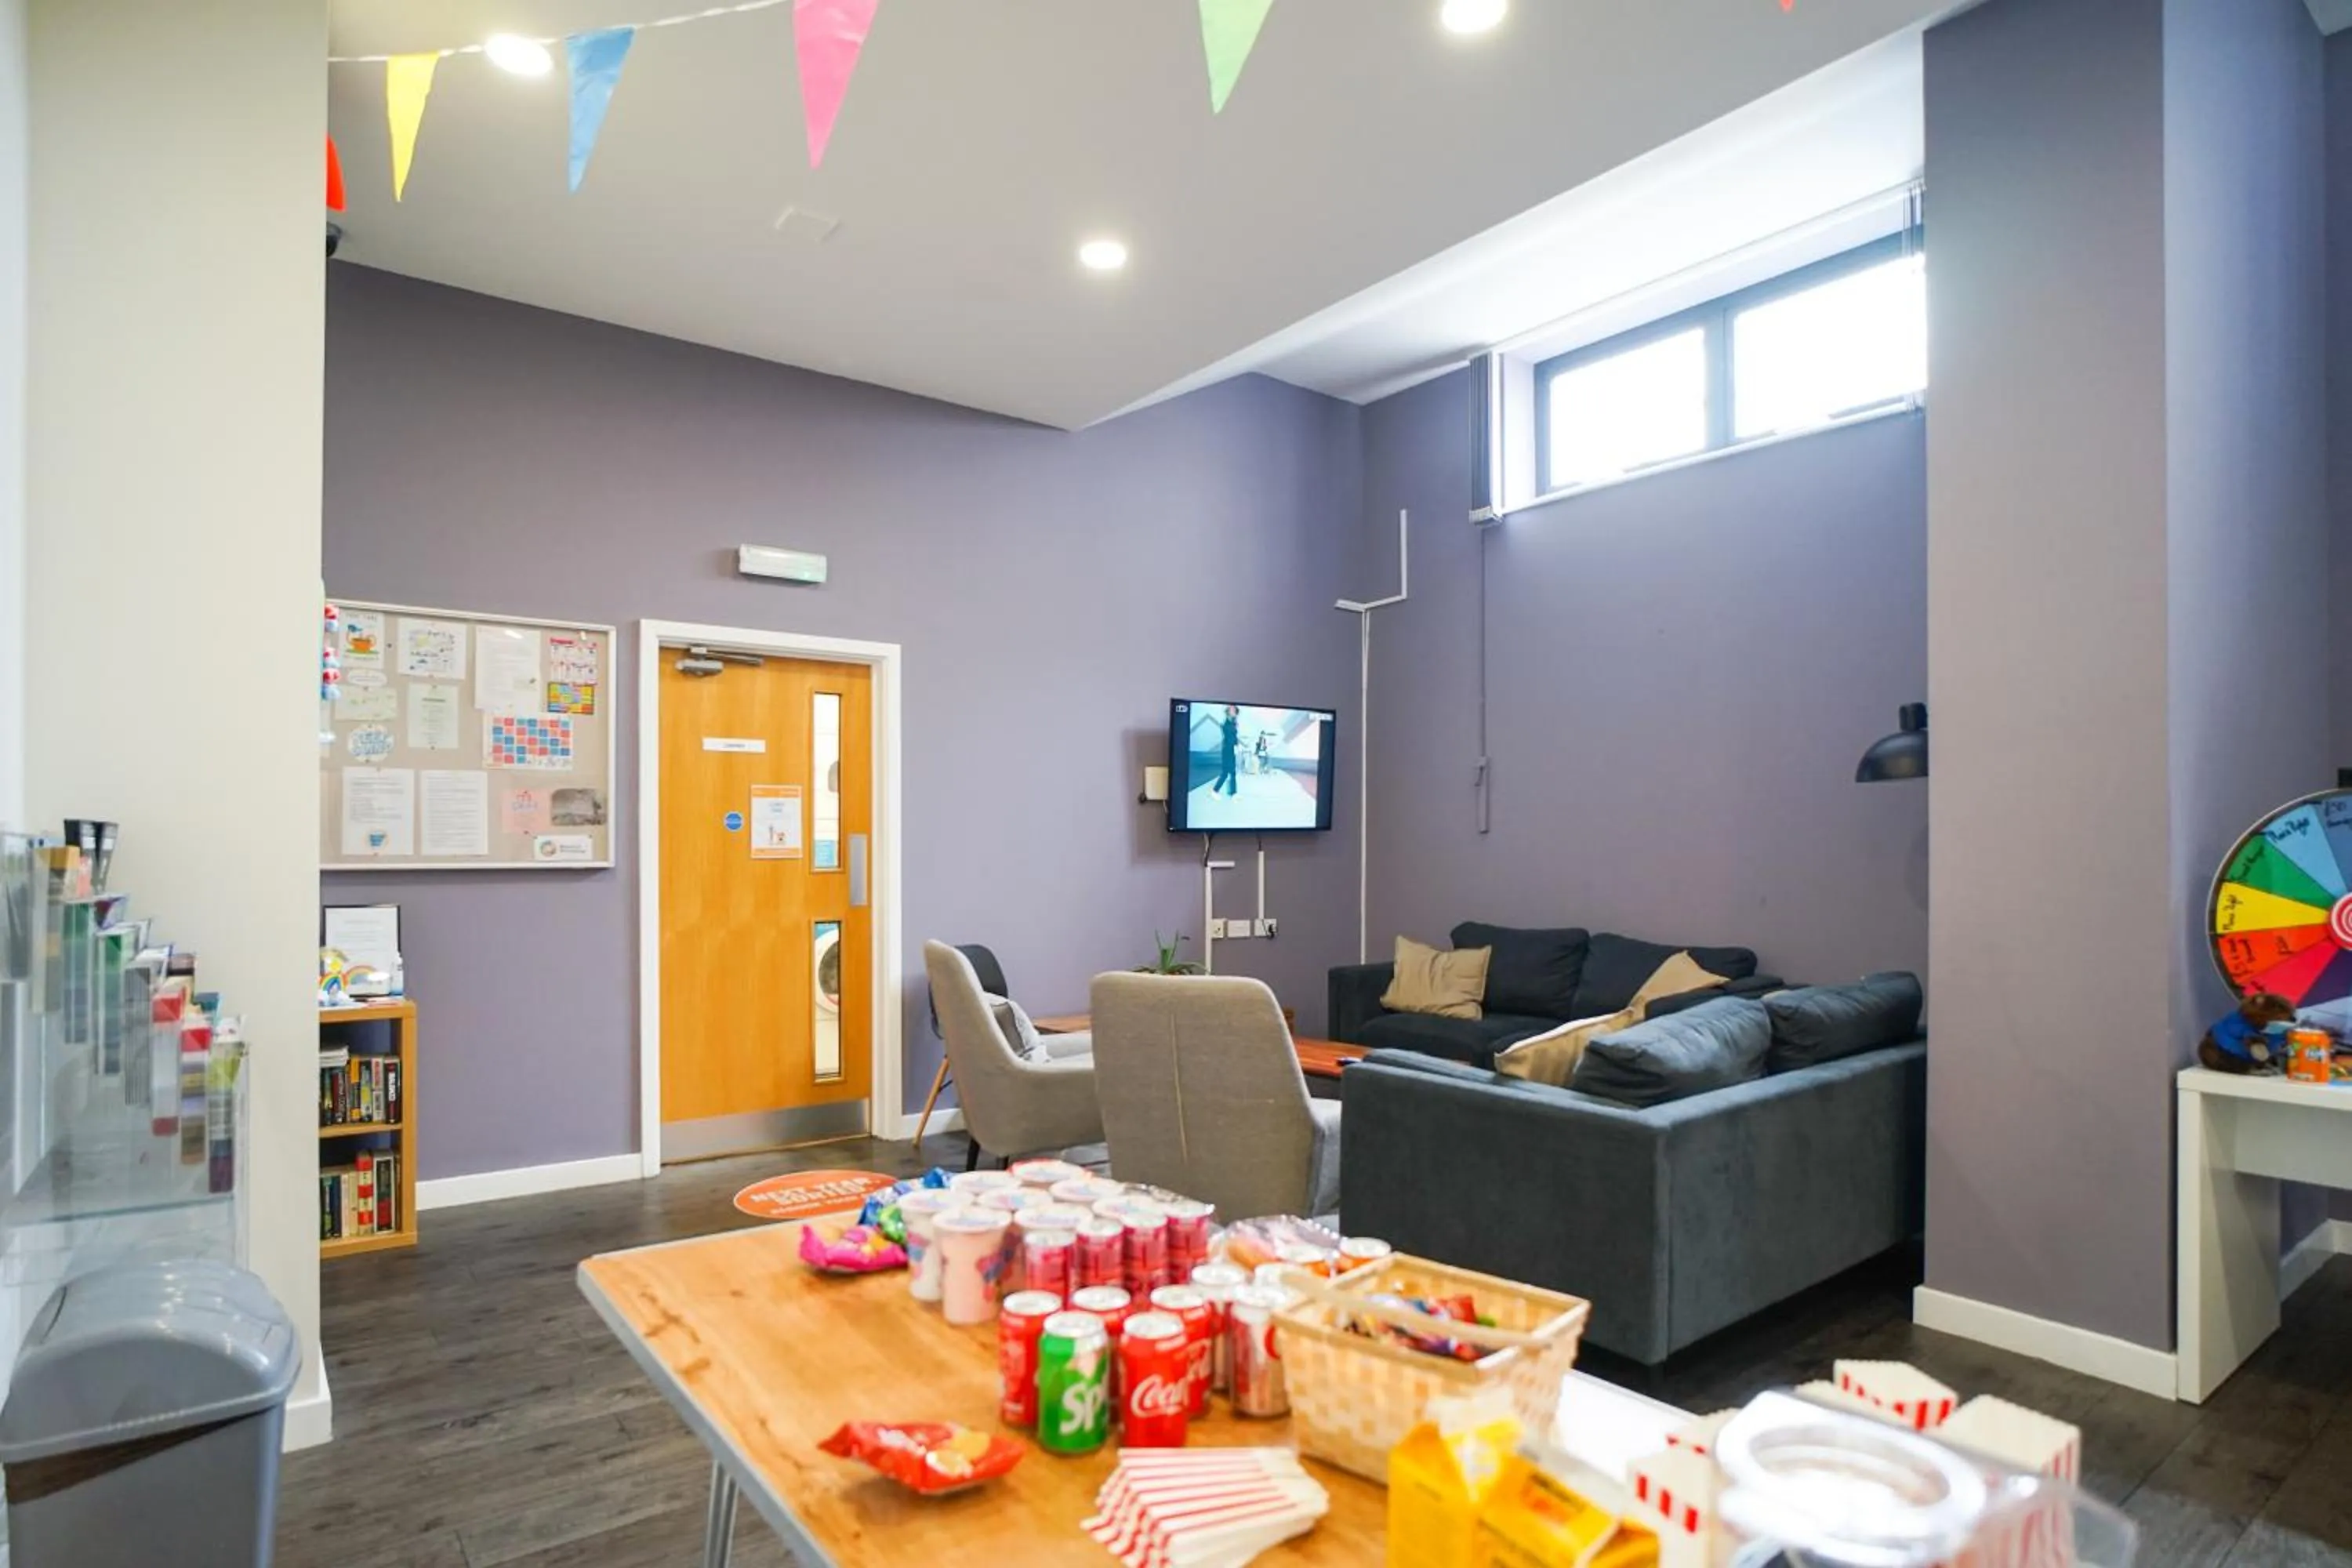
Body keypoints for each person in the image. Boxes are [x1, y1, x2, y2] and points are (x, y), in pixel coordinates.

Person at [1213, 705, 1241, 796]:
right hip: (1227, 750)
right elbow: (1230, 737)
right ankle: (1215, 790)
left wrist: (1237, 746)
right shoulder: (1226, 725)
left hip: (1231, 749)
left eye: (1235, 711)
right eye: (1232, 710)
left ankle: (1233, 792)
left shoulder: (1233, 723)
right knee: (1226, 773)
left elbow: (1235, 737)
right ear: (1228, 712)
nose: (1234, 713)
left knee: (1232, 772)